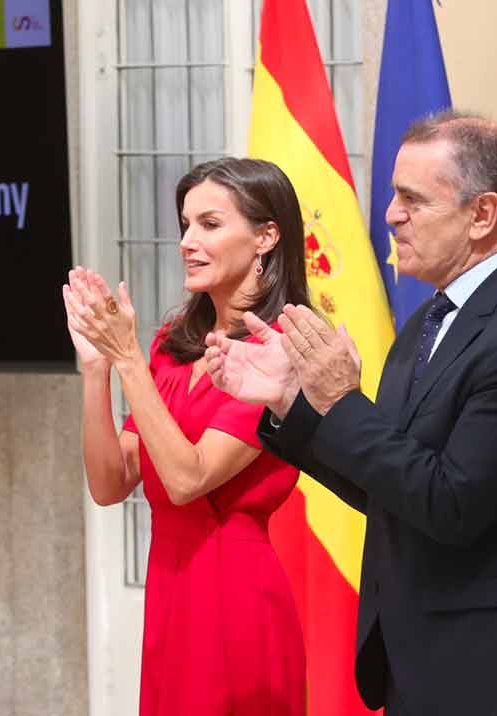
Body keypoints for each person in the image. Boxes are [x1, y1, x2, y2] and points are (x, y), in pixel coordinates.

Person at [206, 111, 497, 715]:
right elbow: (390, 488)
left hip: (474, 665)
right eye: (394, 195)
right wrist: (293, 404)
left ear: (482, 216)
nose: (390, 215)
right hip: (410, 661)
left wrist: (338, 403)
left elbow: (452, 503)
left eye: (413, 200)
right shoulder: (427, 321)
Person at [64, 157, 307, 715]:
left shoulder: (279, 352)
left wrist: (126, 359)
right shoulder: (173, 342)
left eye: (210, 224)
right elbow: (109, 483)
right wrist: (99, 370)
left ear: (266, 236)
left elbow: (187, 479)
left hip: (235, 594)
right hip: (170, 586)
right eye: (185, 225)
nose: (188, 242)